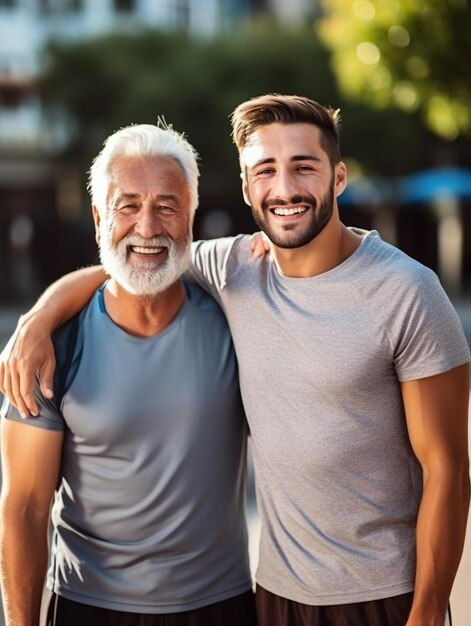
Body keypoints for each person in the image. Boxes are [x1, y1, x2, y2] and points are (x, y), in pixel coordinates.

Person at [1, 94, 470, 626]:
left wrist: (429, 611)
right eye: (266, 170)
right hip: (271, 597)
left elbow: (449, 468)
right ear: (248, 188)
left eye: (303, 167)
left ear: (338, 178)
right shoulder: (230, 273)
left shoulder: (404, 291)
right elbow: (127, 263)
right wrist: (36, 321)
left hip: (379, 595)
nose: (286, 189)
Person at [0, 123, 257, 626]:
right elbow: (26, 506)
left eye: (166, 206)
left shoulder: (237, 318)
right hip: (89, 609)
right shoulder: (50, 347)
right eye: (127, 205)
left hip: (222, 607)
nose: (147, 227)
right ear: (98, 220)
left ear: (191, 218)